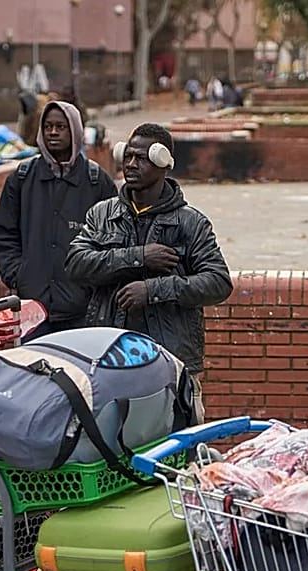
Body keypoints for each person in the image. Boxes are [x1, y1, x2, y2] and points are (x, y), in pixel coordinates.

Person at [65, 123, 233, 423]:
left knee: (179, 443)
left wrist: (154, 290)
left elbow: (218, 282)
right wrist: (139, 257)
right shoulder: (102, 214)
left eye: (141, 158)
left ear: (162, 162)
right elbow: (76, 263)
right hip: (110, 358)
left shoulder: (190, 223)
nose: (130, 164)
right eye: (127, 155)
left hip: (171, 362)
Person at [0, 100, 118, 340]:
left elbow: (113, 240)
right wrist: (19, 275)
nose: (53, 132)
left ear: (75, 131)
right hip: (33, 308)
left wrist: (91, 283)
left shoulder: (96, 181)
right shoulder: (22, 178)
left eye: (61, 127)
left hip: (82, 310)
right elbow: (3, 235)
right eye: (48, 126)